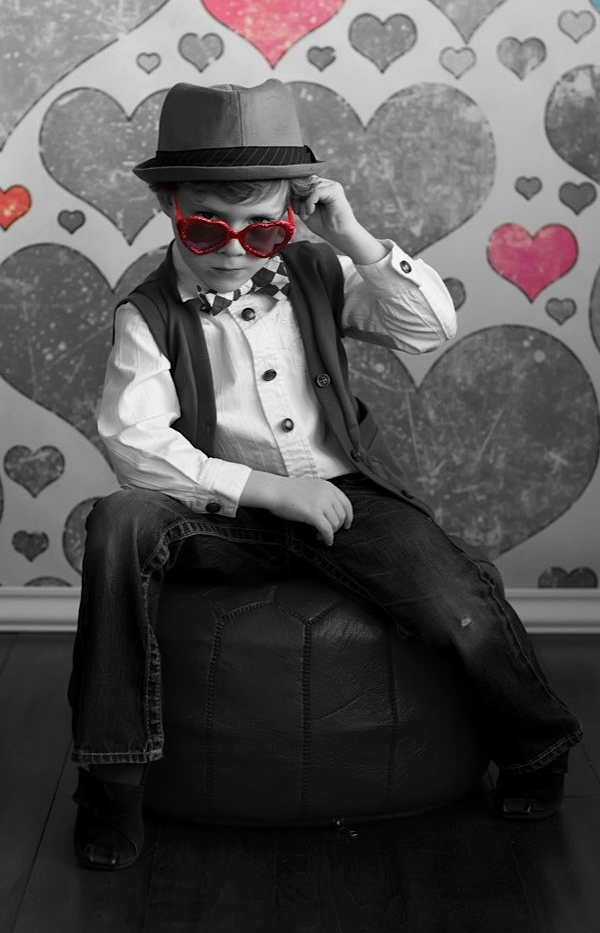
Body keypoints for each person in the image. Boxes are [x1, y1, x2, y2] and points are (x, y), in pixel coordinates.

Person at [68, 79, 582, 871]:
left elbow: (426, 327)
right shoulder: (149, 313)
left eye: (261, 229)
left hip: (345, 499)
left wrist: (353, 236)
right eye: (207, 226)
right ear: (169, 207)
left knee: (455, 603)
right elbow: (133, 439)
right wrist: (269, 490)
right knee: (118, 519)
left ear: (292, 213)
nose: (234, 249)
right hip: (224, 514)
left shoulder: (316, 270)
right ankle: (112, 781)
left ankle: (537, 744)